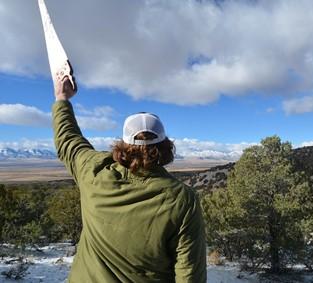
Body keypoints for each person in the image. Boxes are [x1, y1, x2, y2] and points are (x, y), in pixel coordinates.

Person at [52, 74, 206, 283]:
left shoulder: (94, 173)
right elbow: (189, 274)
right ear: (165, 147)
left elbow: (68, 140)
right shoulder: (182, 200)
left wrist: (62, 98)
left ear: (122, 145)